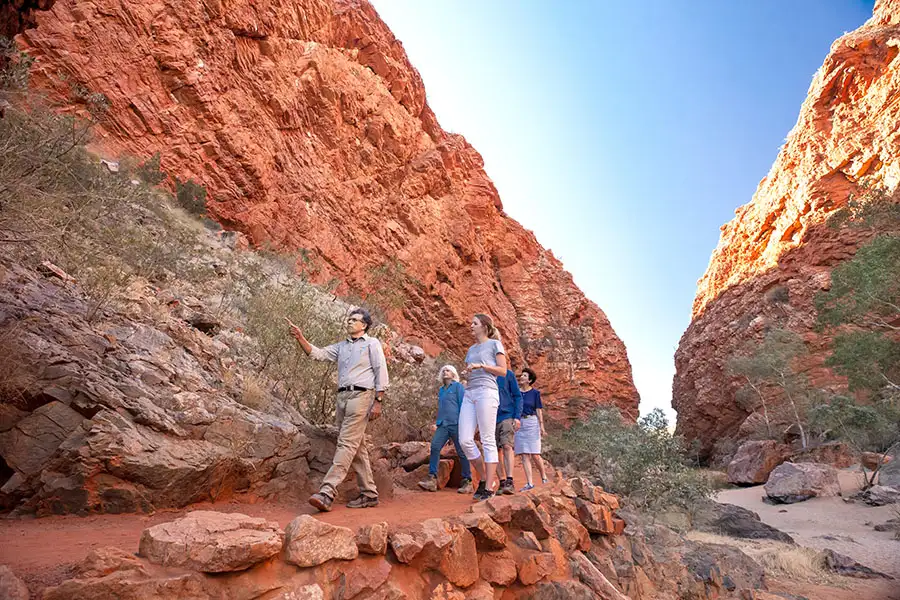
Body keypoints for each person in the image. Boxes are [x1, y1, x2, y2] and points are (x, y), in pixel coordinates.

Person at [287, 308, 388, 512]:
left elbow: (381, 370)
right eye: (348, 319)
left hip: (362, 396)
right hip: (342, 397)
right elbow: (318, 354)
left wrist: (378, 400)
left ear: (364, 325)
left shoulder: (372, 343)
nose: (349, 322)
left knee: (346, 443)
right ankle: (369, 494)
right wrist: (300, 337)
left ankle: (327, 492)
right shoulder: (342, 346)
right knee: (355, 445)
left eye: (354, 320)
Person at [459, 313, 508, 501]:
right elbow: (469, 371)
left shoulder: (495, 344)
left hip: (487, 391)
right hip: (470, 392)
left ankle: (488, 488)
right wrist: (466, 373)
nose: (471, 325)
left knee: (487, 439)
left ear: (485, 327)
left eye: (474, 323)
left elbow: (503, 371)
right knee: (464, 440)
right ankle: (486, 477)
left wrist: (482, 366)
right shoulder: (470, 349)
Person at [417, 365, 474, 494]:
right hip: (443, 424)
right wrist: (437, 423)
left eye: (448, 370)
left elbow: (462, 405)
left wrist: (464, 423)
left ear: (453, 373)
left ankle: (467, 481)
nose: (445, 372)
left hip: (456, 424)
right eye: (443, 370)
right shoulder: (442, 390)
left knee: (461, 451)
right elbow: (442, 408)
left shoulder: (458, 387)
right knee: (435, 447)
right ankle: (432, 479)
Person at [515, 367, 548, 490]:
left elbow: (539, 410)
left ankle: (544, 477)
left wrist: (542, 426)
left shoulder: (535, 393)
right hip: (520, 423)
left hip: (532, 422)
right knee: (524, 454)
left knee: (535, 454)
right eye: (521, 375)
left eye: (524, 376)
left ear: (529, 380)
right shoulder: (516, 393)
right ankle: (529, 483)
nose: (521, 377)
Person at [494, 367, 523, 495]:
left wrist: (517, 417)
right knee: (494, 450)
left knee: (507, 445)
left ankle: (510, 481)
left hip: (506, 415)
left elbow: (517, 395)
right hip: (490, 417)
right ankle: (502, 481)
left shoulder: (507, 374)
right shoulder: (485, 374)